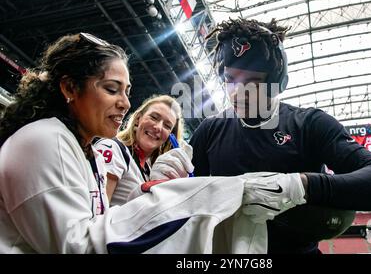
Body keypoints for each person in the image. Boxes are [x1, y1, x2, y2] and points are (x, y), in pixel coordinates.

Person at [0, 32, 270, 254]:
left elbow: (102, 220)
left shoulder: (87, 151)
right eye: (111, 89)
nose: (125, 103)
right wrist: (180, 199)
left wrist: (155, 192)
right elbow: (78, 246)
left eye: (127, 92)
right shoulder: (48, 139)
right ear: (70, 88)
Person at [189, 18, 371, 254]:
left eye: (253, 81)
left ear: (279, 82)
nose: (239, 92)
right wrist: (171, 180)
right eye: (230, 79)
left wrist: (300, 185)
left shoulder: (309, 124)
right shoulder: (210, 130)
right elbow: (189, 206)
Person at [93, 95, 194, 206]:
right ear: (138, 119)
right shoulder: (113, 149)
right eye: (154, 117)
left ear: (169, 137)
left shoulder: (152, 170)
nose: (158, 127)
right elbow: (96, 212)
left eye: (167, 125)